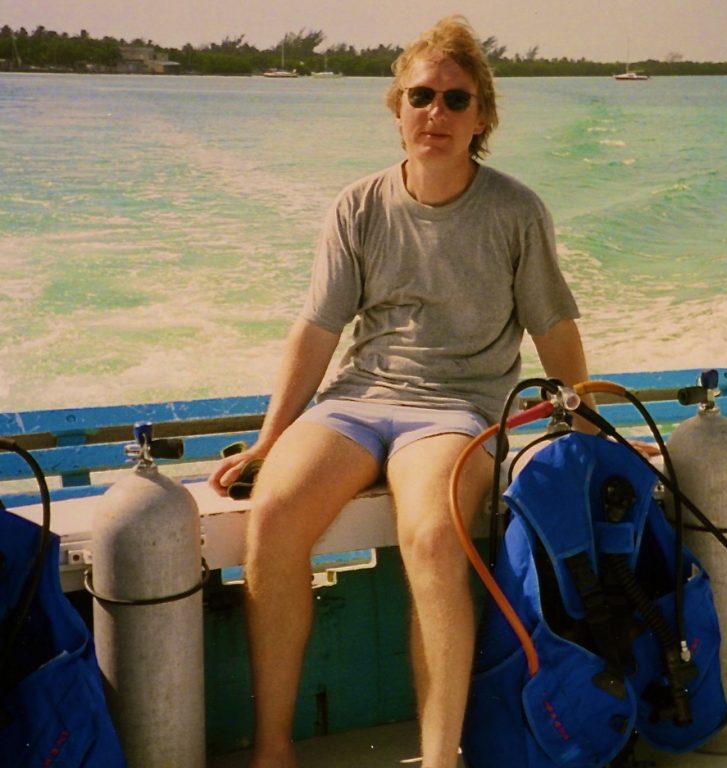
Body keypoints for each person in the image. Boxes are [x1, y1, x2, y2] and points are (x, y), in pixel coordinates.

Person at [209, 15, 597, 768]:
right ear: (396, 110)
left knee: (431, 535)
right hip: (357, 400)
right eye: (421, 96)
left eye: (456, 101)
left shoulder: (516, 211)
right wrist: (268, 440)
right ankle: (273, 749)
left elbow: (555, 329)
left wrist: (588, 420)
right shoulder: (357, 206)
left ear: (482, 117)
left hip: (454, 410)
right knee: (276, 517)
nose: (436, 114)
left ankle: (439, 756)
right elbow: (316, 333)